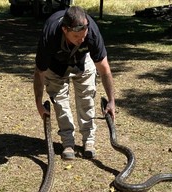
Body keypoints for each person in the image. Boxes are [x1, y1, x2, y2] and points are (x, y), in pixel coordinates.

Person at [33, 6, 116, 160]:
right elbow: (39, 72)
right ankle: (68, 143)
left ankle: (89, 141)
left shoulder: (91, 33)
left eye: (83, 36)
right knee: (60, 102)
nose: (81, 40)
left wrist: (111, 100)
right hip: (55, 65)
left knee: (87, 99)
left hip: (82, 61)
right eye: (77, 36)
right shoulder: (50, 35)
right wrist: (38, 102)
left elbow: (105, 69)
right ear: (65, 30)